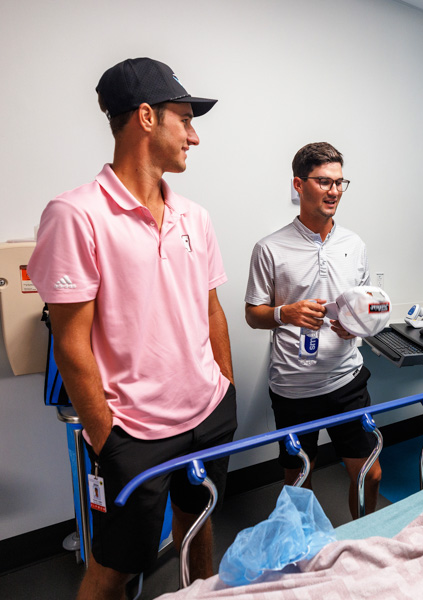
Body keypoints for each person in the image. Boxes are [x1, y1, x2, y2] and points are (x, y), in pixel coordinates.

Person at [27, 57, 237, 599]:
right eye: (184, 119)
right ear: (146, 117)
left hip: (208, 414)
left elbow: (212, 311)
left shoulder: (196, 216)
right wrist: (108, 442)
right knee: (116, 564)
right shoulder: (75, 215)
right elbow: (71, 345)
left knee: (199, 524)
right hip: (134, 434)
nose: (194, 136)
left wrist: (226, 392)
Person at [245, 142, 381, 518]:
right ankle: (304, 562)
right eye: (323, 182)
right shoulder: (269, 248)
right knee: (298, 483)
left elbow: (362, 305)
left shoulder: (355, 245)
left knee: (370, 475)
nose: (334, 191)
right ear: (299, 185)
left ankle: (365, 545)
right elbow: (253, 315)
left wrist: (356, 326)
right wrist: (283, 313)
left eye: (340, 182)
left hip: (345, 381)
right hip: (293, 388)